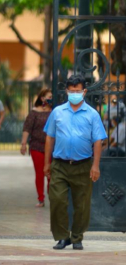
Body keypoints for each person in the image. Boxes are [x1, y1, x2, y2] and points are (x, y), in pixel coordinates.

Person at [43, 74, 107, 250]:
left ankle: (77, 237)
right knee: (57, 200)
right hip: (59, 164)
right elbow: (49, 138)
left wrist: (95, 166)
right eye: (71, 91)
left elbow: (98, 141)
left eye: (77, 91)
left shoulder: (92, 115)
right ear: (67, 91)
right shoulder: (57, 112)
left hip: (83, 165)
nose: (74, 94)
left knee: (82, 204)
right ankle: (62, 237)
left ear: (84, 91)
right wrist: (46, 164)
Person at [20, 89, 53, 207]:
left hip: (52, 148)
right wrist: (23, 144)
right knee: (39, 173)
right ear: (42, 98)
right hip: (36, 146)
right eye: (49, 96)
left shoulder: (55, 111)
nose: (51, 99)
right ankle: (41, 198)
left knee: (51, 173)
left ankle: (52, 196)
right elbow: (27, 128)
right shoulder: (34, 113)